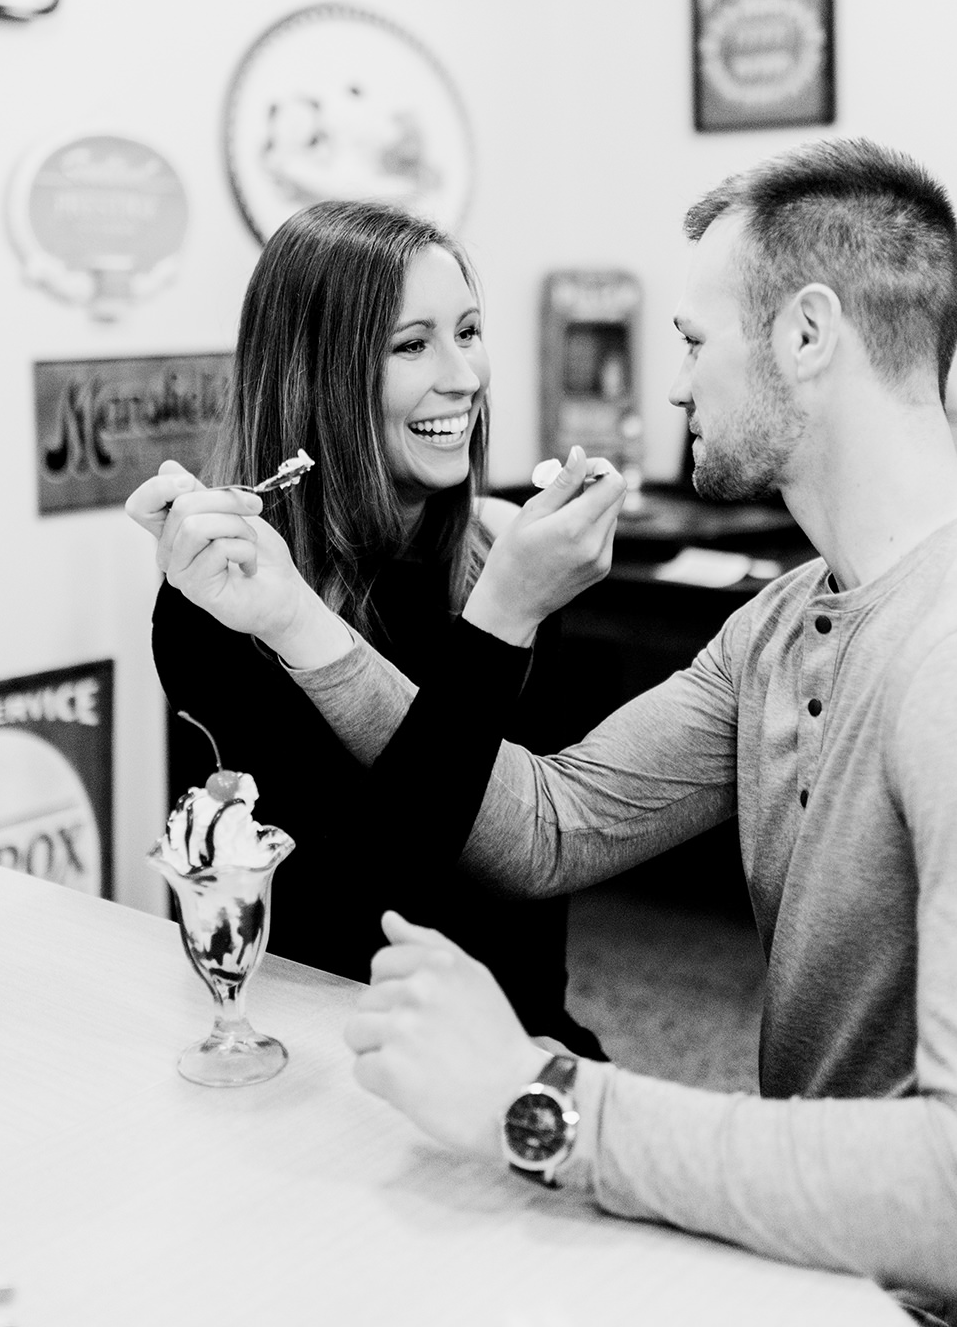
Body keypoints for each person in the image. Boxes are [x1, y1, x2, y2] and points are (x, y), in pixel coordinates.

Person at [281, 142, 957, 1327]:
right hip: (812, 1264)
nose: (674, 387)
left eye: (696, 343)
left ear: (806, 336)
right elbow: (550, 826)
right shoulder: (782, 622)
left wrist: (537, 1096)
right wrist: (296, 624)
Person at [125, 198, 625, 1055]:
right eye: (410, 344)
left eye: (468, 332)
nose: (463, 376)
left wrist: (509, 600)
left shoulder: (500, 555)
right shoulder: (223, 604)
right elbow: (372, 903)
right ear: (317, 374)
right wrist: (499, 624)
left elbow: (535, 848)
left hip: (518, 1036)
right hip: (332, 1046)